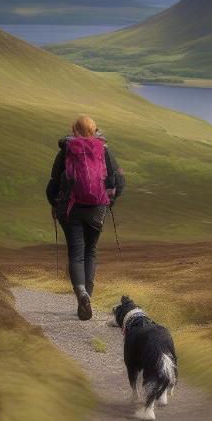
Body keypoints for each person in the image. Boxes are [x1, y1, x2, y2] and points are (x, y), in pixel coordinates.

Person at [46, 116, 125, 320]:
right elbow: (119, 181)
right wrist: (109, 202)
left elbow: (53, 184)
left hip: (71, 210)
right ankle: (87, 296)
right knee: (90, 251)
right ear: (95, 130)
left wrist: (55, 204)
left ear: (74, 130)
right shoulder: (104, 150)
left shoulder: (67, 150)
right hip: (97, 209)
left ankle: (81, 294)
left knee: (76, 252)